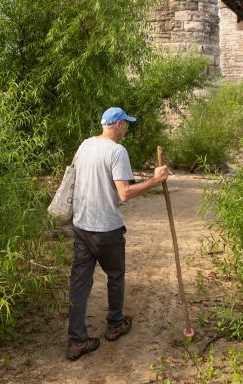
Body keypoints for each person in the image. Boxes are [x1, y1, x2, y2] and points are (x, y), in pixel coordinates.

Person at [65, 106, 170, 361]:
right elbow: (124, 194)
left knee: (80, 284)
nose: (127, 129)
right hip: (106, 229)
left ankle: (77, 341)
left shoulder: (85, 145)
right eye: (126, 124)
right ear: (118, 124)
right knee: (115, 275)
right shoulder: (117, 151)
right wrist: (155, 181)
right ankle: (114, 324)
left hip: (81, 225)